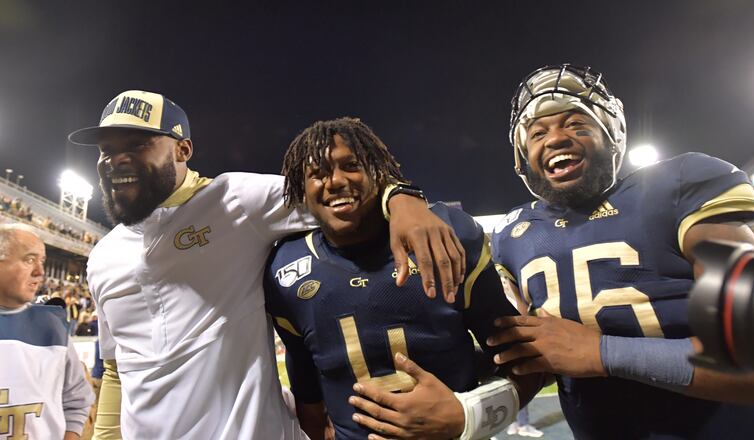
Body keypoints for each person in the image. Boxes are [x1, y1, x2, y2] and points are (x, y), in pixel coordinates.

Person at [67, 90, 465, 439]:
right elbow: (118, 370)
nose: (116, 159)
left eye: (136, 146)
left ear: (182, 150)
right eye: (107, 150)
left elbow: (339, 194)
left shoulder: (235, 201)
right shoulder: (102, 257)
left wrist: (403, 197)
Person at [483, 64, 754, 439]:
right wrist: (464, 414)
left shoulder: (673, 188)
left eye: (578, 124)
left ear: (612, 134)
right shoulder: (513, 236)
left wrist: (602, 353)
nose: (556, 138)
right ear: (521, 155)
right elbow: (528, 360)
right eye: (537, 133)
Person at [265, 117, 545, 440]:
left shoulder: (445, 234)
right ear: (303, 188)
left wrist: (466, 415)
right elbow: (308, 393)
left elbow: (523, 362)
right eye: (318, 173)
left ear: (378, 172)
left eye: (351, 165)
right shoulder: (285, 269)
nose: (336, 180)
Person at [0, 223, 95, 439]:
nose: (40, 272)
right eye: (29, 260)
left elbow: (77, 402)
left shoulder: (53, 328)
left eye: (42, 262)